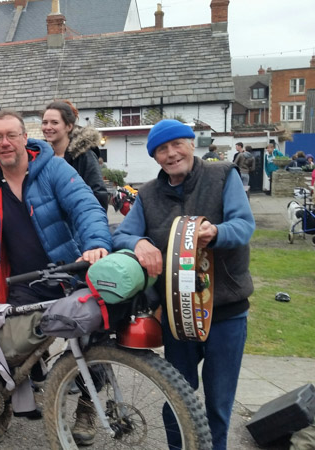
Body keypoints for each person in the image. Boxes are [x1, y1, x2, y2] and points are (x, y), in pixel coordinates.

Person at [0, 110, 111, 444]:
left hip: (69, 274)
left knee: (91, 340)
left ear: (25, 137)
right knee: (8, 345)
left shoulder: (53, 168)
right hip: (24, 281)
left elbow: (86, 206)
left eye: (12, 135)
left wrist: (96, 244)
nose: (5, 143)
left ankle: (87, 406)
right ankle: (3, 406)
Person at [112, 119, 254, 450]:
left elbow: (244, 225)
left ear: (191, 143)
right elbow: (122, 233)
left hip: (227, 312)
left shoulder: (223, 175)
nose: (172, 153)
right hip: (177, 314)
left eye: (177, 144)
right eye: (162, 149)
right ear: (155, 157)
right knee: (176, 394)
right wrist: (139, 244)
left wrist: (215, 233)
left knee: (218, 404)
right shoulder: (147, 194)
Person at [41, 101, 109, 210]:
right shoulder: (43, 157)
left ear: (68, 126)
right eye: (45, 122)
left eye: (54, 122)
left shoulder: (85, 156)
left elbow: (99, 194)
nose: (48, 127)